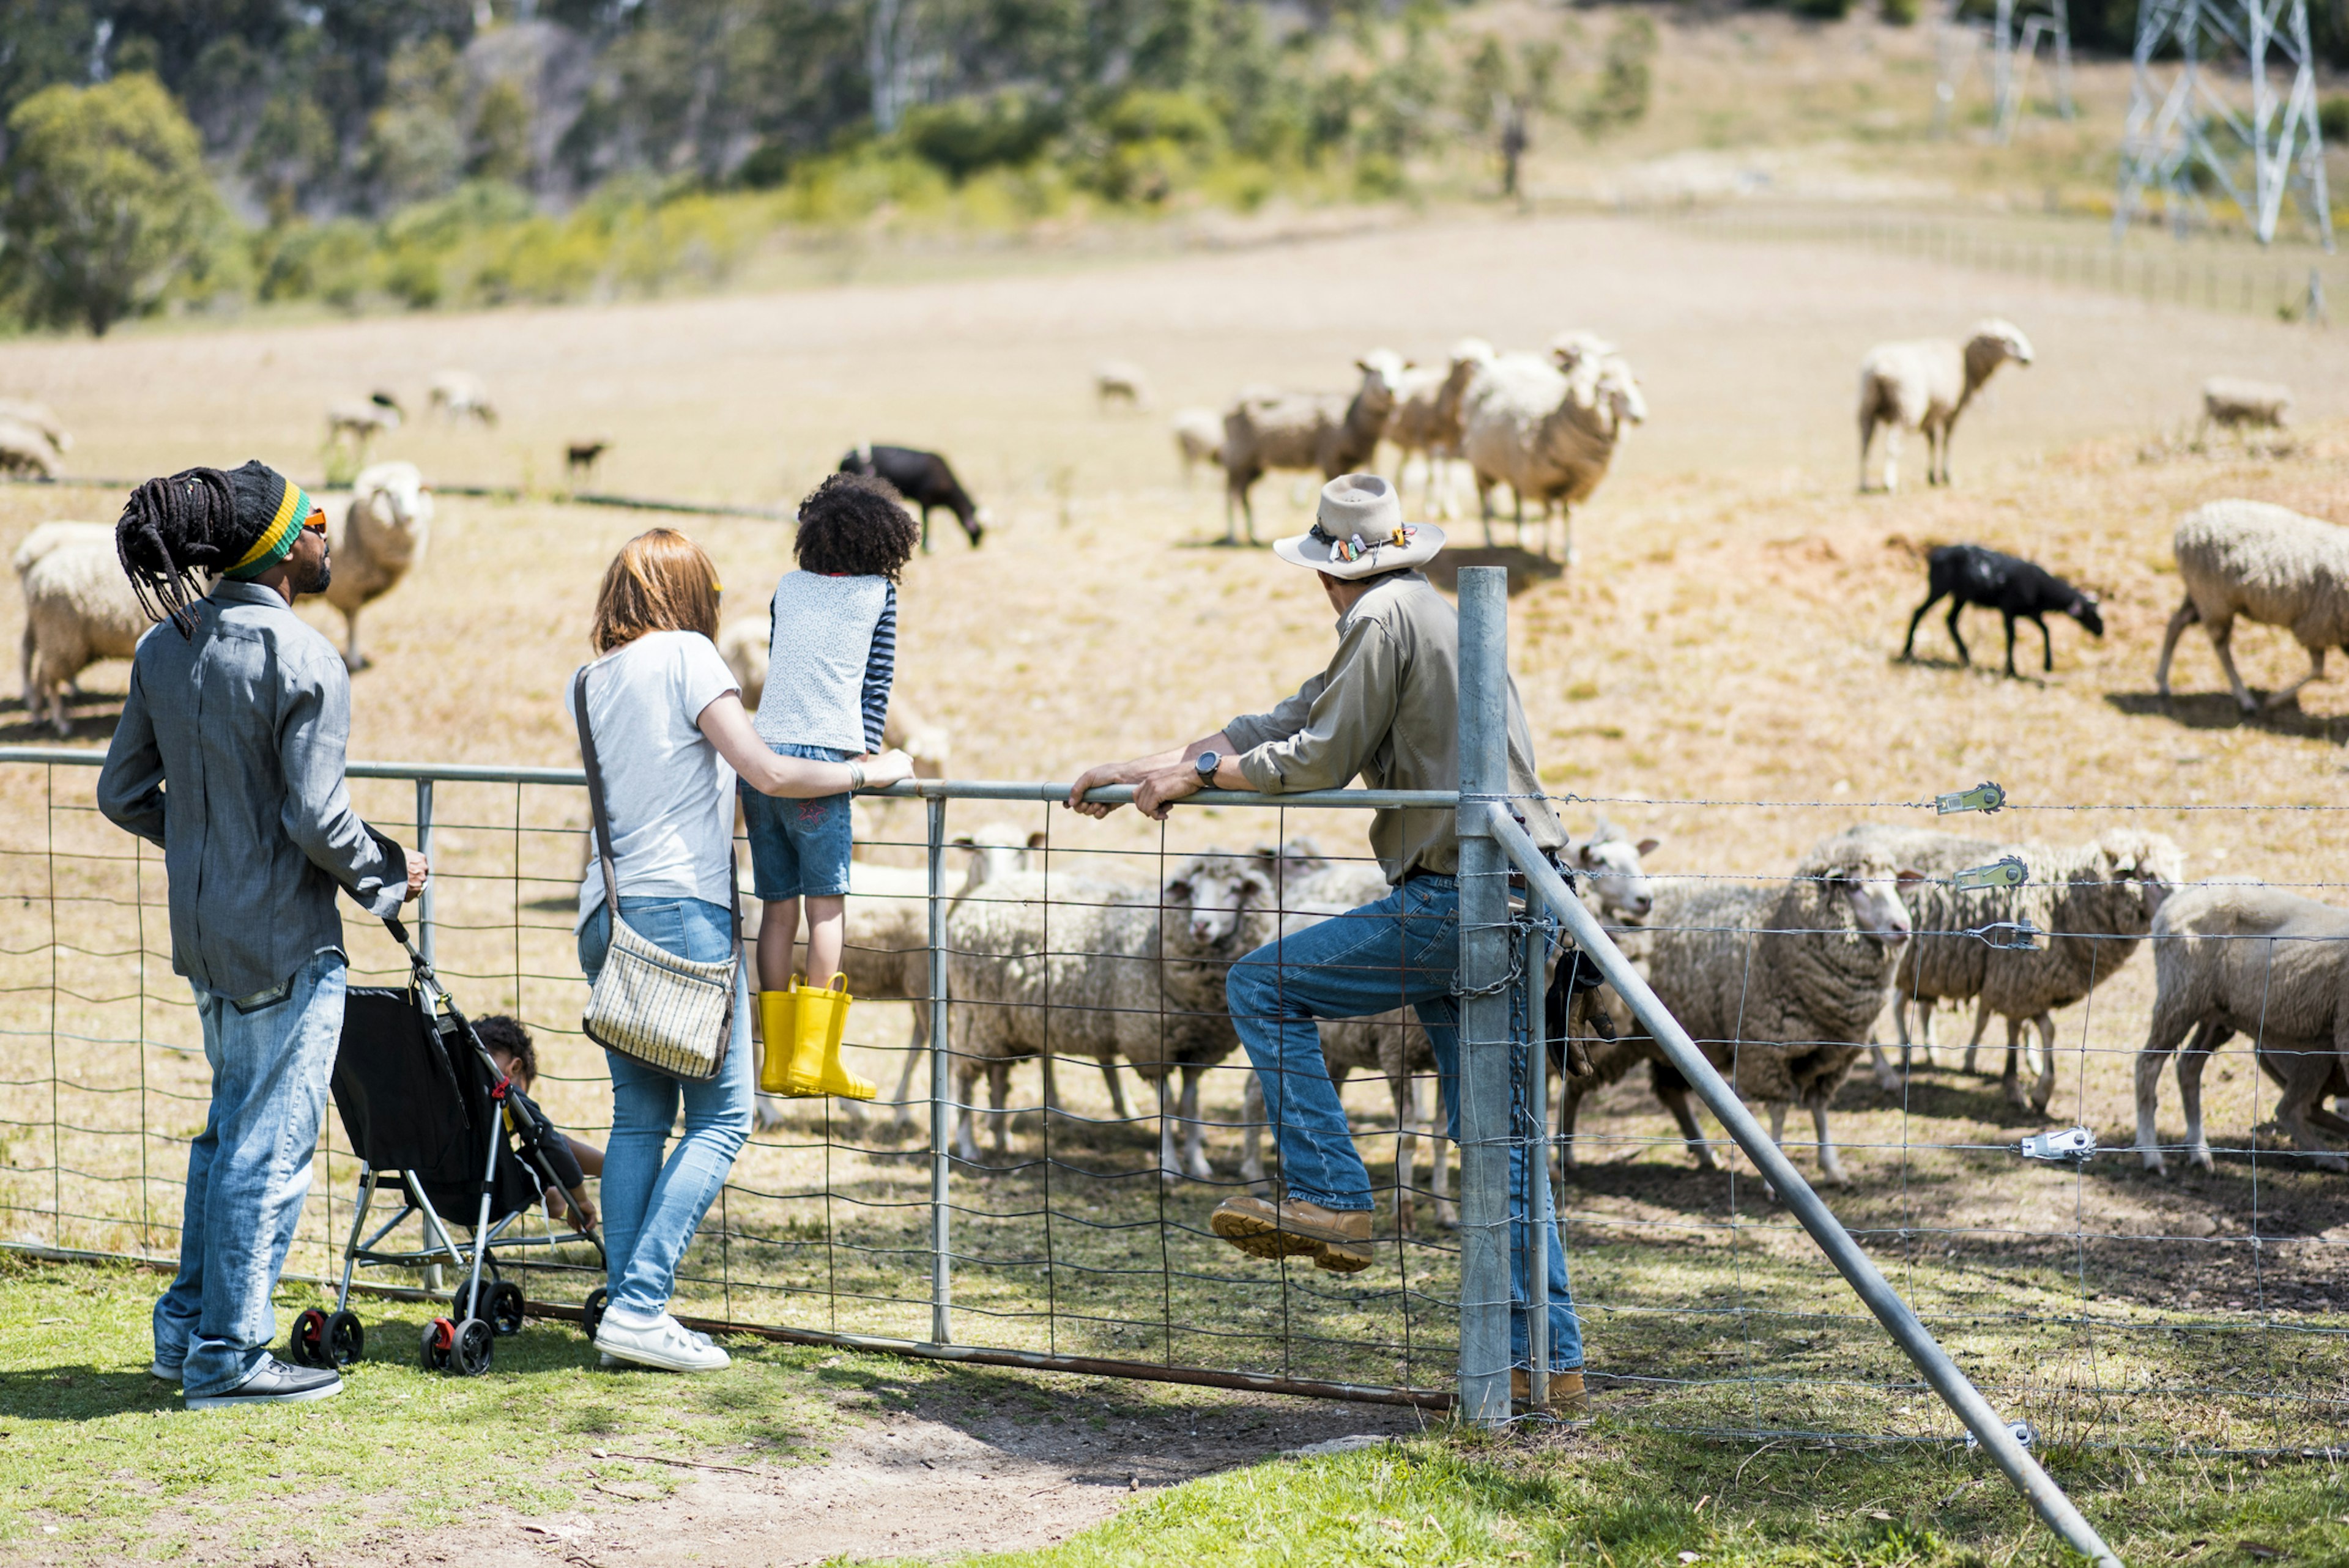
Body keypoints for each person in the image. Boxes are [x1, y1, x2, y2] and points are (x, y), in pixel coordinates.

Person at [1066, 473, 1586, 1411]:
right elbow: (1291, 715)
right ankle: (1546, 1364)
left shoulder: (1378, 620)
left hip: (1456, 897)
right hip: (1515, 893)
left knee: (1263, 986)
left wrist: (1207, 776)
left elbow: (1318, 758)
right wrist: (1163, 764)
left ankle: (1332, 1195)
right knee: (1501, 1139)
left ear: (1324, 575)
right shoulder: (1414, 612)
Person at [97, 462, 428, 1410]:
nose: (330, 534)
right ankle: (230, 1356)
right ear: (286, 549)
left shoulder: (167, 645)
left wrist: (207, 840)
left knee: (225, 1136)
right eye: (318, 520)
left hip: (204, 941)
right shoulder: (305, 657)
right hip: (284, 945)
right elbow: (320, 825)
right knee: (269, 1150)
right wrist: (388, 877)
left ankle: (183, 1333)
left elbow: (121, 794)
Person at [570, 528, 911, 1372]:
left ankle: (624, 1308)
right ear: (688, 594)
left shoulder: (592, 678)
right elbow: (771, 773)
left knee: (639, 1121)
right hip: (681, 912)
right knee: (724, 1119)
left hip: (605, 912)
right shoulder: (688, 656)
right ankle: (643, 1304)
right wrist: (873, 772)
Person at [743, 473, 919, 1101]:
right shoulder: (879, 593)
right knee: (826, 908)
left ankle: (775, 1059)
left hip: (762, 757)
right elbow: (876, 684)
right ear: (885, 542)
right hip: (823, 762)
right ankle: (816, 1061)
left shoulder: (788, 587)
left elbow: (781, 661)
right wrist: (869, 756)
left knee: (776, 909)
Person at [469, 1015, 603, 1229]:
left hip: (432, 1189)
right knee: (557, 1145)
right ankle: (615, 1170)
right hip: (488, 1194)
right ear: (515, 1069)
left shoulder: (447, 1097)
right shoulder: (505, 1093)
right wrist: (581, 1199)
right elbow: (551, 1143)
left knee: (553, 1196)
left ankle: (552, 1194)